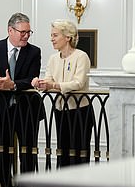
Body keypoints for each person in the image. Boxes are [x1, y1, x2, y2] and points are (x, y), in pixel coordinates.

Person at [0, 12, 42, 187]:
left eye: (28, 32)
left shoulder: (34, 52)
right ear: (10, 30)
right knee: (2, 154)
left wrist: (13, 85)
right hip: (0, 111)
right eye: (23, 32)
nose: (26, 36)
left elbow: (32, 80)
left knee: (27, 155)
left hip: (26, 112)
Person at [32, 19, 95, 167]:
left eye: (55, 35)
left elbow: (78, 83)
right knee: (63, 152)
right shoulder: (53, 59)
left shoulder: (81, 56)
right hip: (60, 111)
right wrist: (40, 83)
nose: (51, 39)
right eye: (51, 35)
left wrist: (53, 85)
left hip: (80, 111)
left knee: (79, 153)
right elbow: (49, 79)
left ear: (67, 37)